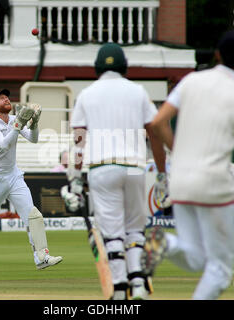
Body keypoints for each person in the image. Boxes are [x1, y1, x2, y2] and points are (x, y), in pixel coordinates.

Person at [142, 31, 234, 300]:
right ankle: (164, 241)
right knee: (220, 270)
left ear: (217, 55)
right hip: (213, 183)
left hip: (182, 181)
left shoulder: (191, 81)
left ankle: (165, 241)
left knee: (197, 258)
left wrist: (178, 150)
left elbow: (156, 122)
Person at [61, 43, 167, 300]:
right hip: (134, 167)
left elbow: (78, 141)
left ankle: (120, 287)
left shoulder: (86, 94)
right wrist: (163, 174)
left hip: (102, 167)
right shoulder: (139, 91)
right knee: (134, 230)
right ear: (124, 66)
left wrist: (75, 179)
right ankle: (139, 283)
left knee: (112, 233)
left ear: (97, 67)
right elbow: (155, 132)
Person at [0, 89, 62, 272]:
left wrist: (34, 124)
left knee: (33, 216)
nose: (6, 99)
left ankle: (41, 257)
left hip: (13, 175)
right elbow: (4, 144)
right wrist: (19, 123)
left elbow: (33, 139)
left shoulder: (13, 119)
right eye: (1, 98)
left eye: (7, 97)